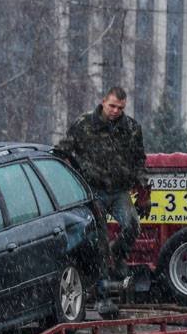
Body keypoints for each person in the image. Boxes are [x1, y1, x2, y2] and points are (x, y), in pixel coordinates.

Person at [56, 86, 151, 306]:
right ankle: (103, 293)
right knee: (98, 239)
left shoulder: (131, 129)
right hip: (92, 190)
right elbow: (64, 151)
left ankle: (114, 257)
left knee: (132, 226)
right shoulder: (84, 124)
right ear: (103, 102)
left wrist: (144, 192)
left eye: (120, 107)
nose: (116, 111)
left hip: (119, 190)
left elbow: (139, 161)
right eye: (112, 106)